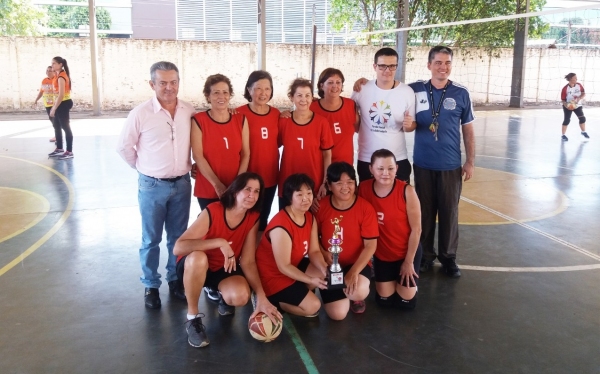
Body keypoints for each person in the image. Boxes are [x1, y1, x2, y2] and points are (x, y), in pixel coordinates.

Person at [116, 61, 194, 309]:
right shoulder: (140, 113)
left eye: (173, 82)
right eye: (163, 83)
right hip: (152, 186)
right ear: (152, 84)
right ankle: (151, 285)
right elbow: (124, 147)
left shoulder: (188, 111)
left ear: (179, 83)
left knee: (177, 237)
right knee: (151, 239)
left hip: (181, 185)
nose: (169, 88)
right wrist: (144, 169)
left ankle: (175, 279)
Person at [174, 172, 282, 348]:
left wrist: (261, 297)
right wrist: (219, 242)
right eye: (247, 189)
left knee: (241, 296)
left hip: (223, 266)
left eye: (256, 191)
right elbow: (178, 247)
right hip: (193, 265)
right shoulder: (213, 211)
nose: (252, 195)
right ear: (234, 191)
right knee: (199, 258)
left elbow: (247, 261)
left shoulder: (252, 217)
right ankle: (192, 318)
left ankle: (221, 294)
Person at [406, 46, 475, 278]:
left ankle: (448, 258)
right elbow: (389, 89)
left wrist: (470, 161)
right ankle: (425, 256)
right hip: (423, 164)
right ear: (429, 65)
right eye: (438, 62)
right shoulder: (416, 89)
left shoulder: (460, 93)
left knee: (449, 213)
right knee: (424, 213)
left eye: (447, 63)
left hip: (450, 165)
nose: (442, 67)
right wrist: (363, 84)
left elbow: (468, 130)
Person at [256, 174, 328, 317]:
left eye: (309, 193)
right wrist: (309, 280)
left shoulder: (309, 217)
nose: (306, 198)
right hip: (274, 276)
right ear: (290, 197)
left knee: (321, 273)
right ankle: (276, 301)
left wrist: (325, 268)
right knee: (314, 307)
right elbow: (283, 266)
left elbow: (314, 251)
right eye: (299, 194)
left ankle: (297, 291)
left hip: (293, 266)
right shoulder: (281, 226)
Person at [358, 149, 422, 310]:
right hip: (383, 256)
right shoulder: (363, 189)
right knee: (384, 301)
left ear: (397, 169)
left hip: (405, 253)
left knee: (405, 304)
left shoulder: (407, 191)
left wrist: (408, 262)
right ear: (371, 169)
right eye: (380, 169)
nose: (385, 173)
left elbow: (417, 230)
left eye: (390, 168)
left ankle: (411, 285)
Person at [315, 162, 378, 319]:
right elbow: (312, 237)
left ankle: (354, 296)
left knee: (359, 290)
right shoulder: (320, 207)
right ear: (329, 186)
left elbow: (370, 245)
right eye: (339, 183)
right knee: (338, 315)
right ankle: (338, 292)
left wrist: (353, 272)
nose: (345, 187)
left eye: (350, 182)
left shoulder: (365, 208)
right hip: (330, 266)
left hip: (355, 264)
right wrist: (323, 252)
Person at [350, 47, 416, 183]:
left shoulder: (407, 91)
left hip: (397, 158)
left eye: (392, 66)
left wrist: (409, 126)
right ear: (374, 66)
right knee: (368, 202)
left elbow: (411, 127)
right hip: (367, 158)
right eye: (382, 66)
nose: (387, 71)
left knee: (399, 202)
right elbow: (345, 110)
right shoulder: (361, 89)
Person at [192, 74, 250, 210]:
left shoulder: (240, 119)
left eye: (225, 92)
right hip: (208, 187)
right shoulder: (199, 120)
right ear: (208, 96)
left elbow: (246, 153)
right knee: (212, 228)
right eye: (216, 92)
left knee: (234, 229)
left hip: (235, 187)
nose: (221, 96)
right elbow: (197, 156)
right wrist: (218, 185)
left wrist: (237, 184)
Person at [278, 78, 333, 210]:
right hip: (288, 183)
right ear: (292, 97)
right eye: (299, 95)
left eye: (307, 95)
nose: (304, 99)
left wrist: (324, 183)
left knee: (311, 224)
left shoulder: (321, 122)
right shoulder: (283, 121)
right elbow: (272, 147)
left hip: (313, 183)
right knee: (288, 223)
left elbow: (327, 155)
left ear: (312, 97)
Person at [236, 71, 280, 233]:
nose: (263, 93)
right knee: (244, 217)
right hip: (246, 177)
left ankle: (256, 255)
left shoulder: (277, 114)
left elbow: (280, 141)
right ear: (249, 90)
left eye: (267, 89)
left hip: (270, 176)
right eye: (258, 88)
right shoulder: (237, 114)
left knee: (262, 218)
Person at [311, 68, 359, 165]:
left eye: (338, 82)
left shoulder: (350, 105)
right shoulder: (312, 107)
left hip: (345, 165)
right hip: (320, 164)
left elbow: (358, 128)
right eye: (330, 82)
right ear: (321, 86)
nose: (335, 86)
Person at [47, 56, 74, 160]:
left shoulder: (62, 76)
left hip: (63, 103)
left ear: (60, 64)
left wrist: (54, 108)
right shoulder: (57, 75)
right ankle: (59, 148)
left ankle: (69, 151)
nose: (52, 65)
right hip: (59, 103)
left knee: (66, 128)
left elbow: (61, 95)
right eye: (52, 63)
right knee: (56, 126)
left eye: (54, 63)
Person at [561, 73, 590, 141]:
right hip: (568, 105)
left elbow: (583, 93)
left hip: (577, 105)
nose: (576, 79)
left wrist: (579, 98)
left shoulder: (579, 85)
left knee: (582, 119)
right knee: (567, 120)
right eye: (575, 78)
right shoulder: (565, 88)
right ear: (570, 79)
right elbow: (563, 100)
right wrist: (567, 106)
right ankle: (563, 135)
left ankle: (583, 132)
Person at [33, 66, 56, 143]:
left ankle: (59, 136)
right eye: (47, 71)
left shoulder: (56, 80)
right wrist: (36, 100)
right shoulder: (44, 80)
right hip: (47, 104)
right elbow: (41, 91)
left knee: (57, 120)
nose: (48, 72)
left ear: (54, 72)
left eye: (50, 71)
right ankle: (57, 135)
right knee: (52, 120)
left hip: (55, 104)